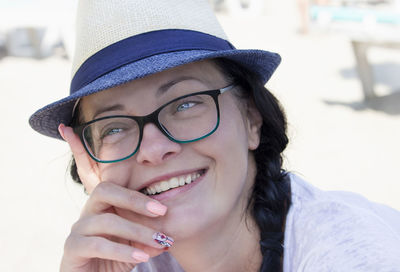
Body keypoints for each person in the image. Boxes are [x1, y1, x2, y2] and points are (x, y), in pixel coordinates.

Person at [29, 1, 400, 271]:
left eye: (185, 104)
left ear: (252, 117)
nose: (154, 150)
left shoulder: (352, 254)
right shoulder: (125, 260)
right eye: (114, 127)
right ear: (90, 161)